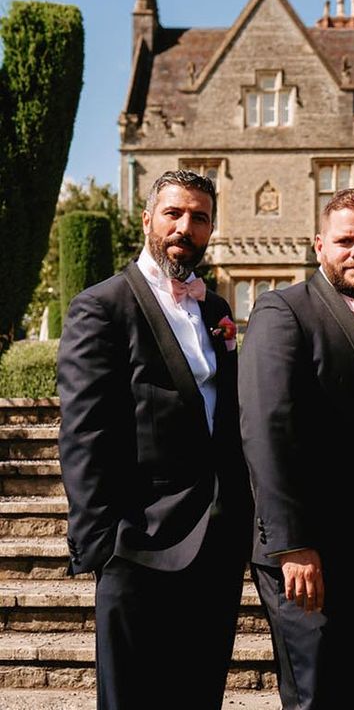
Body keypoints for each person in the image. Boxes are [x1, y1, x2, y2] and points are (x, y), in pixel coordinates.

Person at [57, 170, 251, 710]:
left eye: (200, 217)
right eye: (174, 213)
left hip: (215, 547)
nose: (186, 227)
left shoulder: (215, 310)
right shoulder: (102, 306)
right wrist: (104, 546)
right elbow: (83, 431)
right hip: (137, 545)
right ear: (147, 220)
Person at [239, 188, 354, 710]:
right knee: (314, 697)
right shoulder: (284, 310)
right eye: (344, 241)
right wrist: (292, 544)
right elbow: (267, 428)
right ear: (319, 245)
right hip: (309, 553)